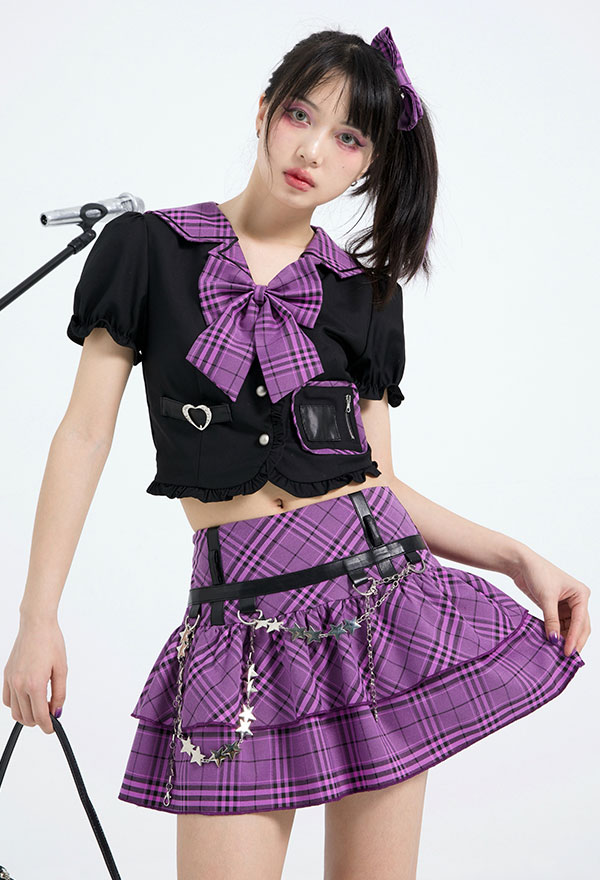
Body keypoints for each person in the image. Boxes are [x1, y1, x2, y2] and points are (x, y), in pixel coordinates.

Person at [3, 25, 590, 880]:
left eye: (348, 138)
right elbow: (84, 435)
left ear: (369, 164)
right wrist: (37, 618)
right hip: (237, 626)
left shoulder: (367, 296)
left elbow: (380, 483)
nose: (313, 150)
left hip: (382, 611)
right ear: (264, 112)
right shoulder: (147, 250)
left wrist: (518, 559)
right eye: (300, 116)